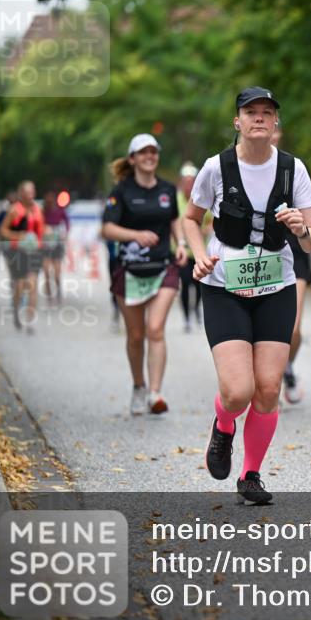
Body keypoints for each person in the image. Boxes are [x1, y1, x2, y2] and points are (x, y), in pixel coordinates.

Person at [182, 87, 311, 505]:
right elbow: (190, 219)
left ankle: (250, 474)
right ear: (237, 122)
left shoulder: (293, 170)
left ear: (276, 123)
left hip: (276, 288)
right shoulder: (216, 168)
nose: (259, 118)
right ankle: (224, 426)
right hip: (226, 287)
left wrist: (300, 229)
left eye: (267, 112)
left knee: (267, 389)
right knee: (238, 391)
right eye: (250, 112)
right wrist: (198, 254)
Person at [101, 134, 187, 416]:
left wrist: (182, 244)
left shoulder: (167, 189)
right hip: (130, 271)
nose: (150, 156)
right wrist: (135, 235)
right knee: (136, 336)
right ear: (133, 159)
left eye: (154, 151)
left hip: (163, 267)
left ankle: (155, 393)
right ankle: (139, 386)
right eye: (143, 152)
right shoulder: (121, 191)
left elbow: (175, 219)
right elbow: (107, 229)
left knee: (155, 329)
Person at [270, 125, 311, 404]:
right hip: (261, 256)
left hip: (295, 253)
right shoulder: (239, 168)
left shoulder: (293, 169)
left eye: (273, 128)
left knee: (293, 328)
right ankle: (267, 377)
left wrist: (298, 219)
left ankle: (287, 367)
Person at [0, 181, 46, 333]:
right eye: (27, 191)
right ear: (21, 194)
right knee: (19, 286)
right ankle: (16, 310)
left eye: (32, 191)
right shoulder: (14, 210)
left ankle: (30, 321)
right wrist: (17, 236)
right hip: (18, 252)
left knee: (32, 285)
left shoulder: (38, 210)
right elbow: (3, 231)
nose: (30, 194)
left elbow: (42, 232)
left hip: (34, 252)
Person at [176, 161, 210, 332]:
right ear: (182, 182)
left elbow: (211, 220)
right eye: (186, 181)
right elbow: (173, 223)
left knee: (197, 286)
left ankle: (196, 309)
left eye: (192, 181)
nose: (189, 184)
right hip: (181, 251)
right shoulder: (176, 200)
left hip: (198, 251)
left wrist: (204, 230)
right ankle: (187, 318)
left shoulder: (200, 198)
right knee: (185, 283)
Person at [41, 190, 70, 304]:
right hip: (46, 243)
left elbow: (67, 222)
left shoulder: (59, 210)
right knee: (46, 271)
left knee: (57, 272)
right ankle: (49, 295)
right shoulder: (43, 211)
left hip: (57, 243)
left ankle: (58, 291)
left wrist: (65, 233)